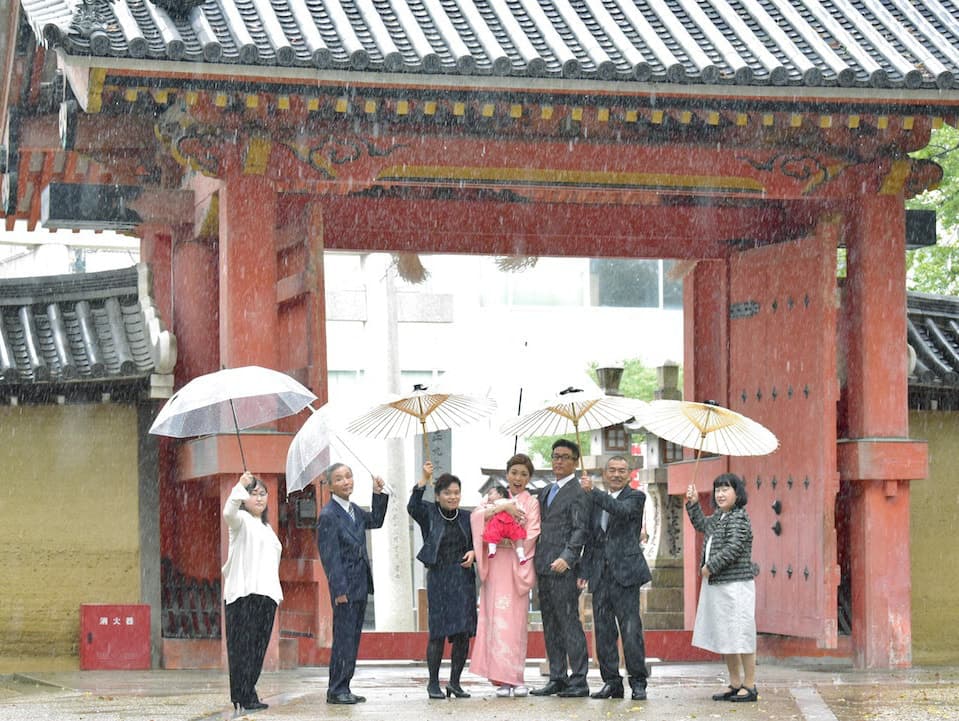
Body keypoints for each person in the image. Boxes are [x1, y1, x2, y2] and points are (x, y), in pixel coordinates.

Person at [579, 456, 652, 701]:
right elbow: (591, 538)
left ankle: (638, 682)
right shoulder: (594, 500)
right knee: (603, 631)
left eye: (622, 470)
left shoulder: (636, 497)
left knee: (631, 631)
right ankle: (611, 682)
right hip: (600, 575)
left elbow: (620, 511)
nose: (617, 474)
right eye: (612, 470)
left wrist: (594, 492)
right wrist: (584, 571)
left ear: (630, 473)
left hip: (626, 574)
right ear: (604, 472)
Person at [316, 463, 389, 705]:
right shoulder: (328, 515)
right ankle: (336, 689)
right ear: (330, 485)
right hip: (345, 588)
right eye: (339, 478)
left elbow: (376, 521)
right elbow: (330, 557)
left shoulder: (354, 510)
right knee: (344, 639)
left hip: (360, 583)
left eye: (348, 476)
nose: (346, 481)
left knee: (353, 639)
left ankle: (344, 685)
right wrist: (339, 590)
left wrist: (378, 494)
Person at [470, 453, 541, 697]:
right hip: (495, 563)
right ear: (506, 474)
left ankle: (516, 677)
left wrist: (510, 539)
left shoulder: (531, 502)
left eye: (524, 474)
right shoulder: (495, 495)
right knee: (495, 621)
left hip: (515, 565)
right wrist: (504, 506)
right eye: (514, 473)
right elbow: (477, 517)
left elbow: (532, 532)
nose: (518, 478)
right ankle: (501, 680)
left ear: (529, 478)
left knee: (515, 624)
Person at [685, 473, 758, 703]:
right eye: (717, 490)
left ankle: (750, 684)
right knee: (726, 634)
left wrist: (710, 566)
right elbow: (701, 524)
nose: (720, 494)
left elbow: (734, 547)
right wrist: (693, 503)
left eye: (726, 489)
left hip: (736, 585)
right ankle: (735, 682)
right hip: (718, 585)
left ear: (738, 493)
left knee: (741, 633)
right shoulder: (719, 517)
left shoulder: (739, 517)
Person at [407, 461, 477, 700]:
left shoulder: (467, 517)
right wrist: (424, 479)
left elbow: (480, 540)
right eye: (447, 492)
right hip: (439, 578)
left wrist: (474, 553)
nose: (452, 496)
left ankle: (455, 683)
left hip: (464, 579)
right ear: (437, 496)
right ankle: (433, 683)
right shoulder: (429, 513)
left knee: (462, 634)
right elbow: (412, 506)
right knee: (437, 633)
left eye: (456, 492)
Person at [530, 439, 590, 698]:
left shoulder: (579, 491)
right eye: (555, 456)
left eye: (565, 457)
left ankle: (579, 680)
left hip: (564, 568)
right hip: (543, 564)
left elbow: (581, 529)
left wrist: (568, 557)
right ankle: (557, 677)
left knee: (569, 623)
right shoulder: (545, 492)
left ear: (575, 461)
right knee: (550, 624)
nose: (558, 461)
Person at [221, 471, 283, 713]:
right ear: (244, 498)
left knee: (258, 648)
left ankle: (249, 691)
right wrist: (240, 485)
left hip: (266, 595)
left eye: (262, 493)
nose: (258, 498)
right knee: (241, 648)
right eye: (253, 494)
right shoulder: (240, 522)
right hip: (243, 594)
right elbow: (228, 512)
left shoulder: (267, 529)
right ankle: (241, 694)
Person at [482, 484, 528, 565]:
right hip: (499, 523)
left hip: (511, 524)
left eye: (491, 493)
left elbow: (520, 510)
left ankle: (521, 555)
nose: (488, 496)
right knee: (492, 532)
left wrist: (522, 519)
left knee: (519, 536)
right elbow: (485, 514)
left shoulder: (511, 501)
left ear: (500, 494)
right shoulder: (492, 505)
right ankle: (492, 549)